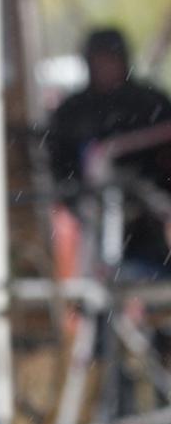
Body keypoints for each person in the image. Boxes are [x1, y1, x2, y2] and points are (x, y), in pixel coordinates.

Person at [47, 27, 171, 276]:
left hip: (150, 215)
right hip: (91, 213)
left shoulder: (150, 103)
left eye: (111, 59)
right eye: (98, 60)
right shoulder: (72, 112)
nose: (105, 67)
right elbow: (59, 165)